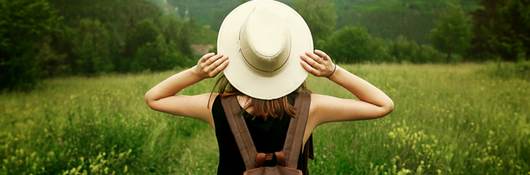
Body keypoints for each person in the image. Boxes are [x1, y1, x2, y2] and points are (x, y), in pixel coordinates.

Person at [144, 1, 394, 174]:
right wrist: (333, 72)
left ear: (238, 58)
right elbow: (383, 104)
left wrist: (196, 73)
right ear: (288, 58)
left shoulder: (215, 106)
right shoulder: (312, 106)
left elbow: (154, 98)